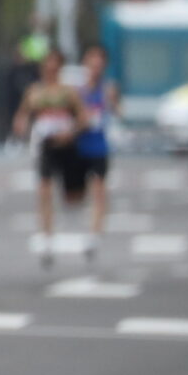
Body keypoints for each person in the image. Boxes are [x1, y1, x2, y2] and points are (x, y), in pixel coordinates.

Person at [16, 47, 90, 268]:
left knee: (73, 196)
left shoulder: (69, 93)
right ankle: (47, 238)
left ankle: (76, 226)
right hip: (46, 146)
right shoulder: (34, 92)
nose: (51, 67)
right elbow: (23, 114)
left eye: (55, 63)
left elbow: (83, 118)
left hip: (67, 146)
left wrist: (71, 133)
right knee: (45, 190)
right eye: (48, 63)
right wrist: (21, 126)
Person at [71, 42, 114, 252]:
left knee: (99, 188)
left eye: (100, 63)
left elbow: (115, 111)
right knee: (75, 195)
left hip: (99, 146)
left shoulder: (108, 89)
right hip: (79, 145)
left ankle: (94, 233)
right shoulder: (77, 91)